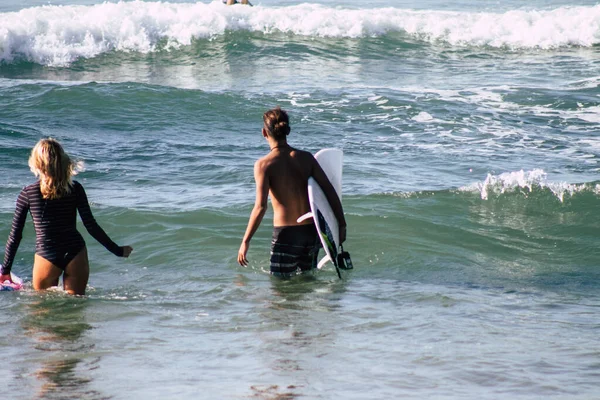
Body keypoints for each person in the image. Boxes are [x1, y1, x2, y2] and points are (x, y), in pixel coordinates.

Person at [0, 138, 133, 295]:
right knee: (76, 311)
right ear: (63, 160)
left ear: (37, 163)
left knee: (41, 314)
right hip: (75, 251)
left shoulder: (28, 193)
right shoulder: (75, 189)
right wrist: (117, 250)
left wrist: (6, 270)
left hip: (47, 254)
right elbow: (91, 225)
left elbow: (15, 235)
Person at [237, 107, 346, 277]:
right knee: (307, 283)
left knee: (280, 290)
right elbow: (330, 191)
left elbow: (260, 207)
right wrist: (341, 224)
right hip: (312, 232)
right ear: (287, 130)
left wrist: (245, 241)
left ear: (265, 133)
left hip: (286, 235)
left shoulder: (264, 165)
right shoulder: (306, 158)